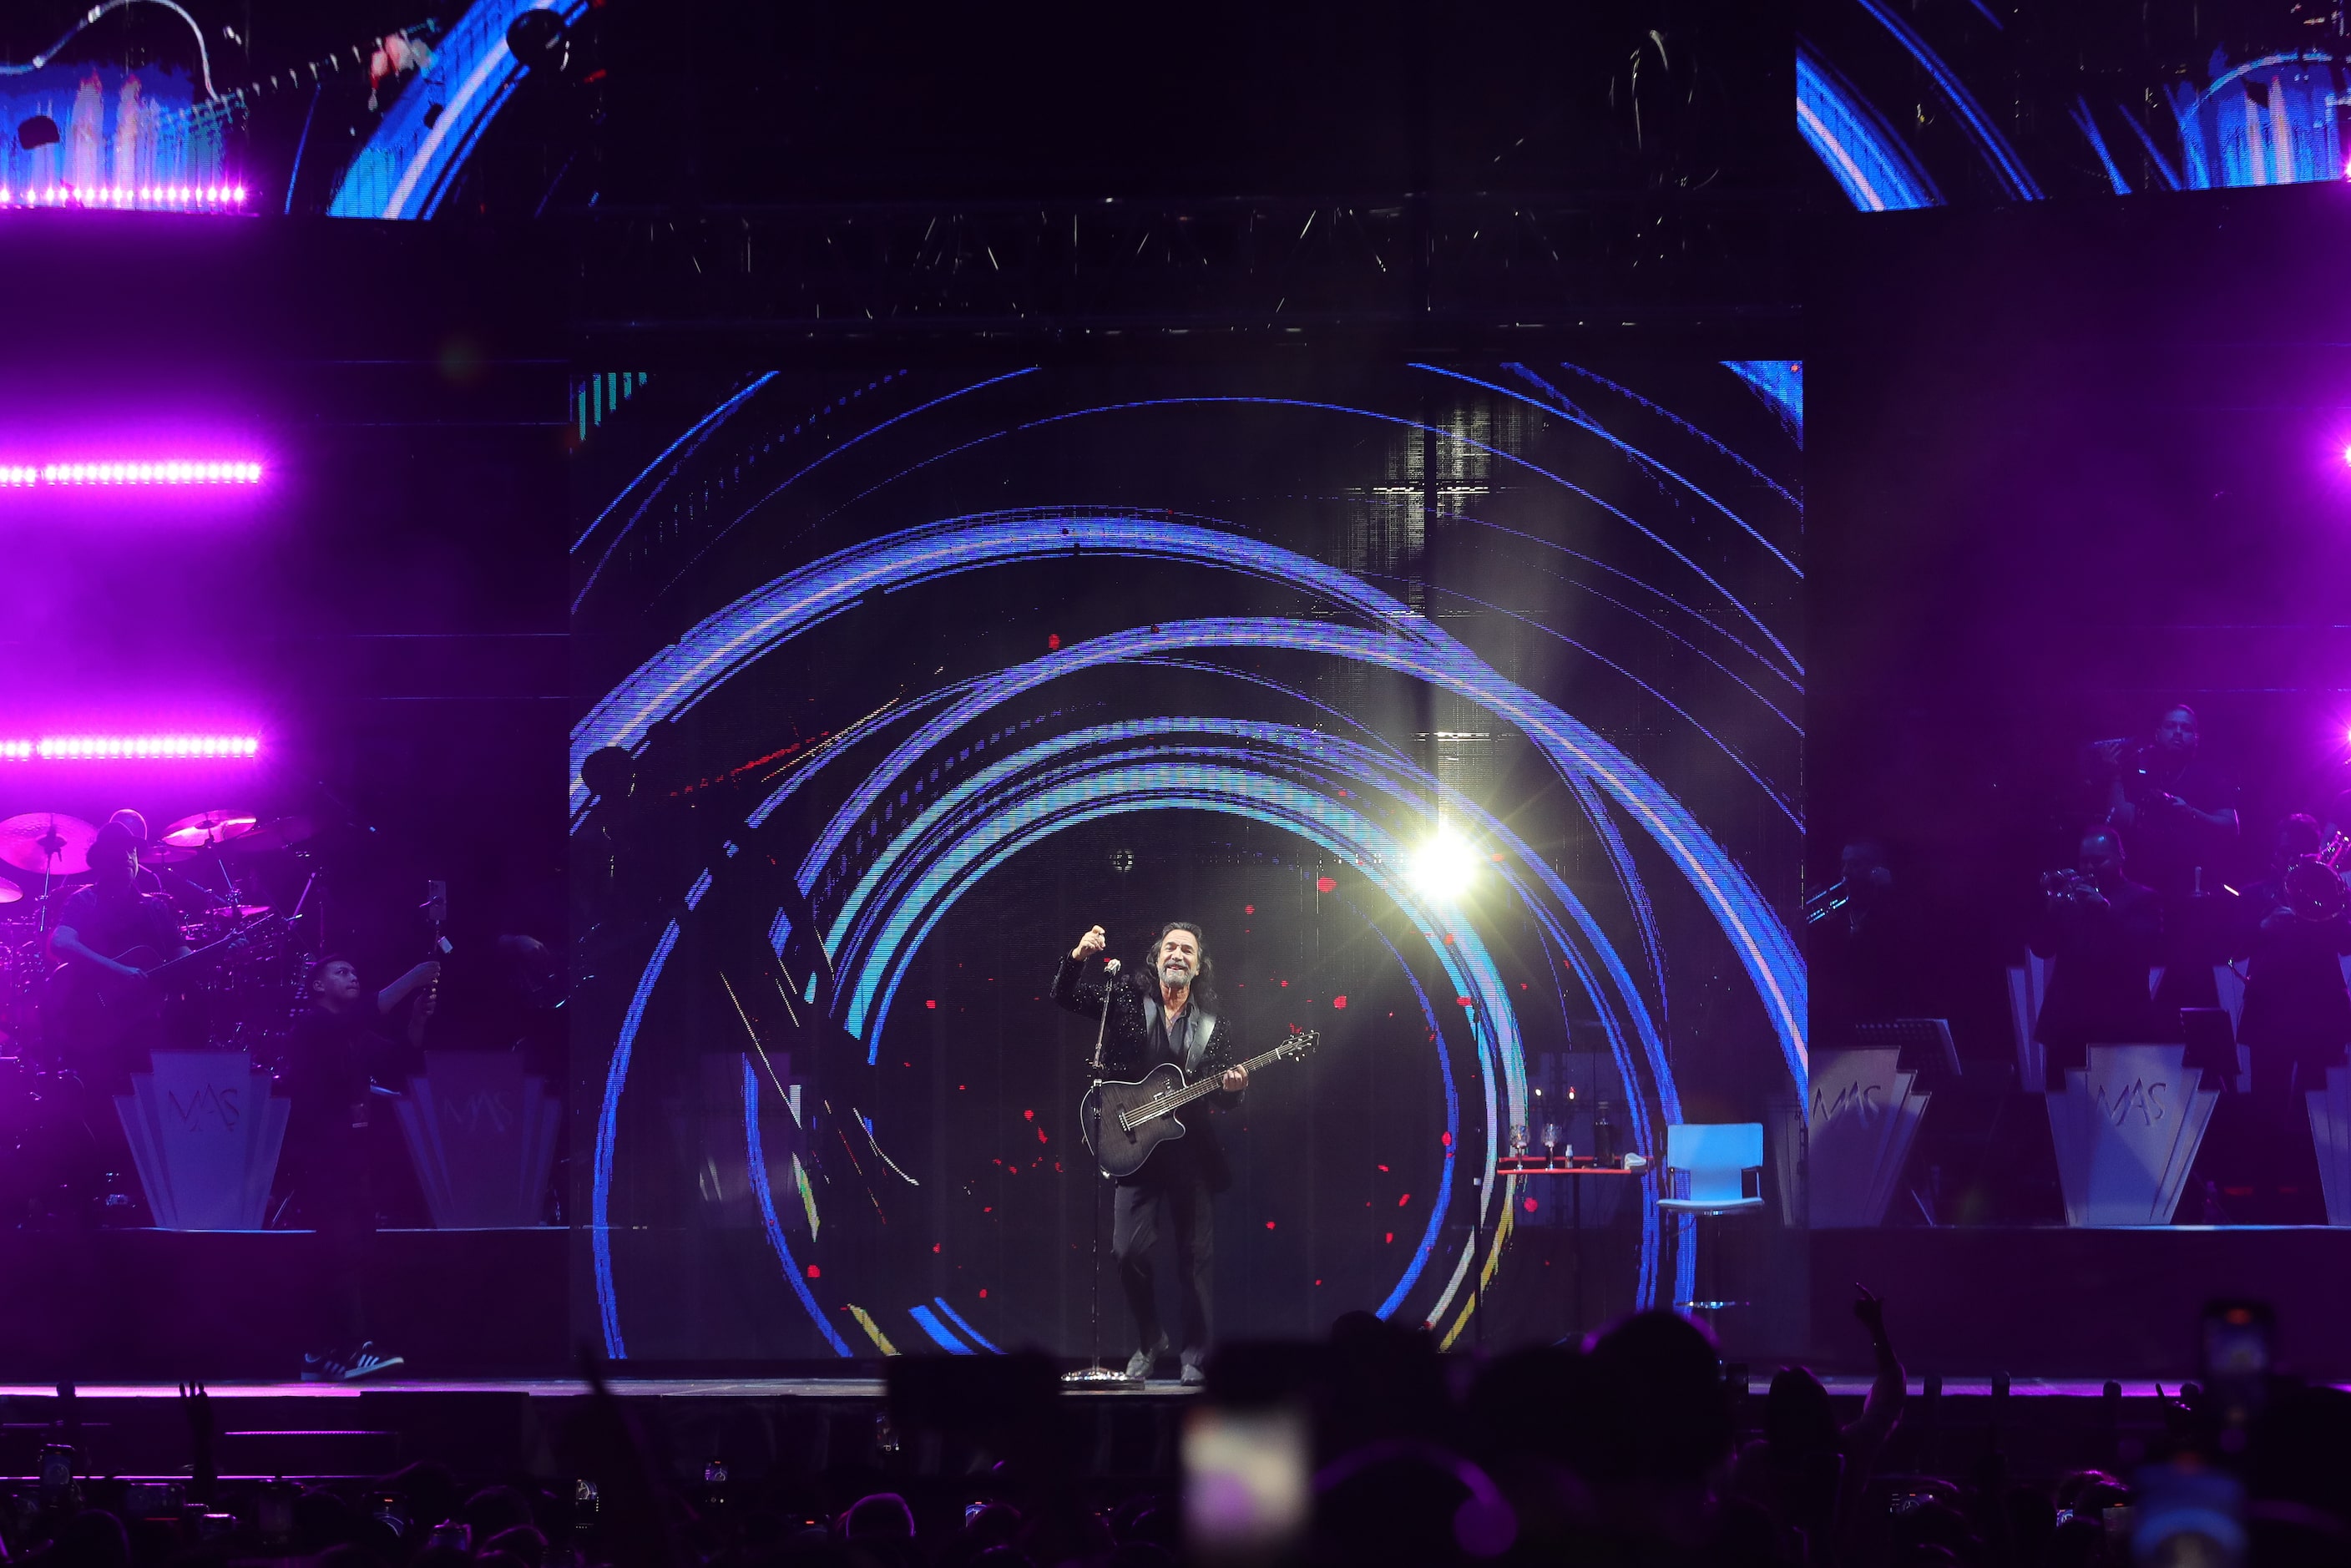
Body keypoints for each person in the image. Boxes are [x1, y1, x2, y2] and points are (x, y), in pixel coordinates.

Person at [1053, 921, 1248, 1383]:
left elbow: (1221, 1092)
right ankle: (1149, 1338)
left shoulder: (1213, 1024)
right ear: (1157, 957)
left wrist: (1236, 1089)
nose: (1178, 954)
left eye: (1187, 950)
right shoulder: (1123, 999)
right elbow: (1065, 996)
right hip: (1134, 1150)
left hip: (1192, 1156)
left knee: (1193, 1261)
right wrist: (1078, 957)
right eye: (1171, 948)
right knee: (1127, 1253)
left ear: (1198, 966)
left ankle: (1194, 1358)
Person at [286, 953, 438, 1381]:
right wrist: (412, 976)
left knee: (353, 1249)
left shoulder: (356, 1037)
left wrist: (416, 1024)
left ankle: (322, 1352)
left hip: (353, 1156)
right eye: (341, 972)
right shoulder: (314, 1025)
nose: (352, 975)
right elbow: (363, 1013)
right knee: (342, 1250)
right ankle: (350, 1348)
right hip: (323, 1156)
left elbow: (402, 1063)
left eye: (355, 970)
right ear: (318, 986)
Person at [48, 820, 191, 1080]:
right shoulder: (84, 900)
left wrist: (216, 954)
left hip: (145, 1025)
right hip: (94, 1023)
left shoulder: (155, 908)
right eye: (119, 849)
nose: (128, 856)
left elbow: (181, 954)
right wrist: (118, 970)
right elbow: (60, 942)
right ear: (103, 859)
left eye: (132, 850)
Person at [2028, 825, 2162, 1089]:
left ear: (2121, 856)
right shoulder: (2069, 896)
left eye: (2098, 860)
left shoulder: (2143, 898)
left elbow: (2146, 946)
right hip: (2067, 1024)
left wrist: (2104, 908)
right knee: (2061, 1109)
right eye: (2083, 860)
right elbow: (2042, 949)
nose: (2088, 867)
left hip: (2119, 1024)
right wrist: (2050, 911)